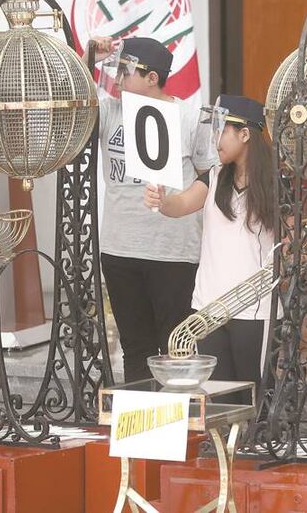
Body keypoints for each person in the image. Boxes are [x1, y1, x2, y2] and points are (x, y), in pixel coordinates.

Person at [90, 36, 217, 383]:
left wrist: (176, 203)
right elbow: (71, 101)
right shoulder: (109, 110)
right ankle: (140, 427)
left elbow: (209, 176)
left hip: (173, 251)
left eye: (126, 71)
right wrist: (89, 57)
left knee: (177, 346)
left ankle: (180, 429)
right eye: (116, 70)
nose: (117, 78)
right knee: (135, 347)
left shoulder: (191, 116)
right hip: (119, 248)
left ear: (152, 77)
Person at [144, 95, 274, 405]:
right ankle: (226, 449)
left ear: (245, 134)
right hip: (209, 307)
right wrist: (161, 200)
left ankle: (254, 448)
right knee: (219, 395)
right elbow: (181, 204)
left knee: (253, 393)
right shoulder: (214, 177)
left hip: (254, 307)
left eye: (222, 130)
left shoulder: (274, 184)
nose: (215, 140)